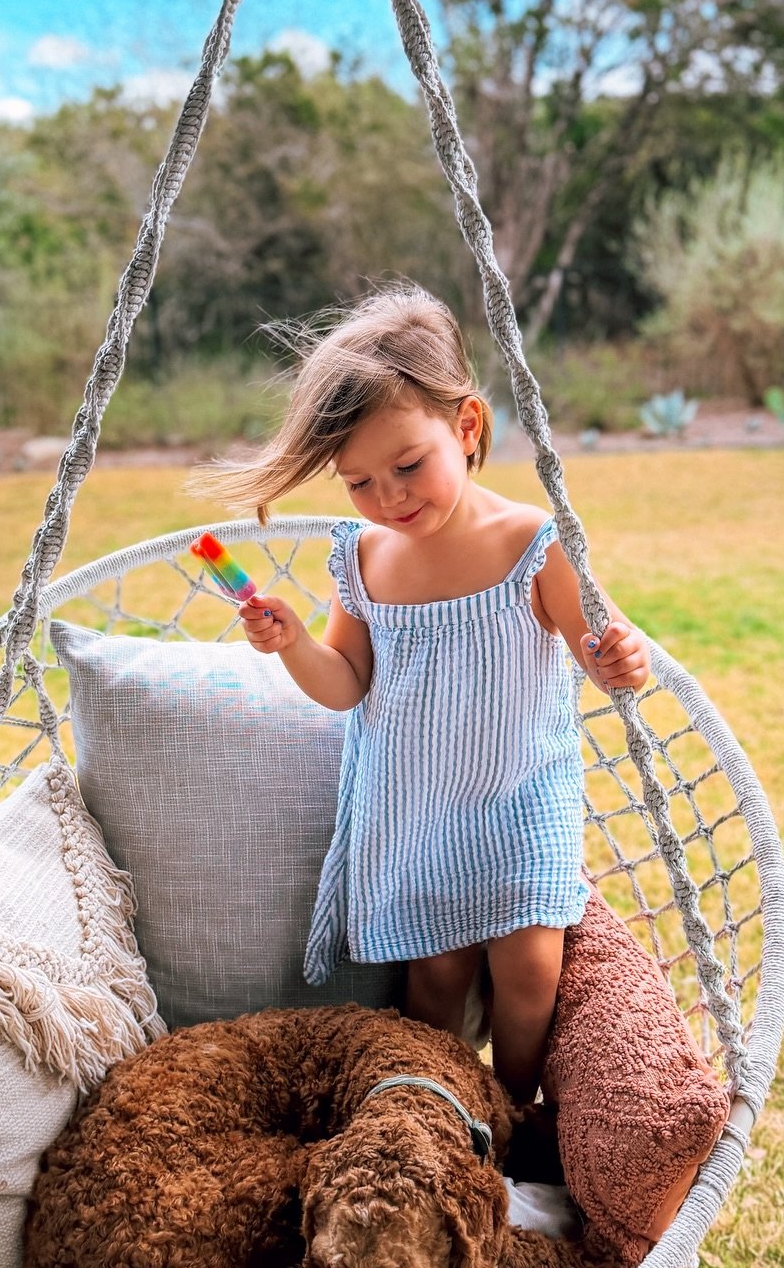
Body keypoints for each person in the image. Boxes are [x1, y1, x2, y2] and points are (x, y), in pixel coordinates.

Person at [195, 284, 652, 1105]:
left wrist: (622, 654)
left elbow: (604, 649)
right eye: (359, 482)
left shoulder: (530, 542)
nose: (390, 498)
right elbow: (346, 686)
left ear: (467, 427)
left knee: (530, 967)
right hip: (419, 811)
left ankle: (515, 1112)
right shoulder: (365, 560)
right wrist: (294, 643)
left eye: (408, 467)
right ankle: (445, 1115)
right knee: (436, 977)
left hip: (519, 798)